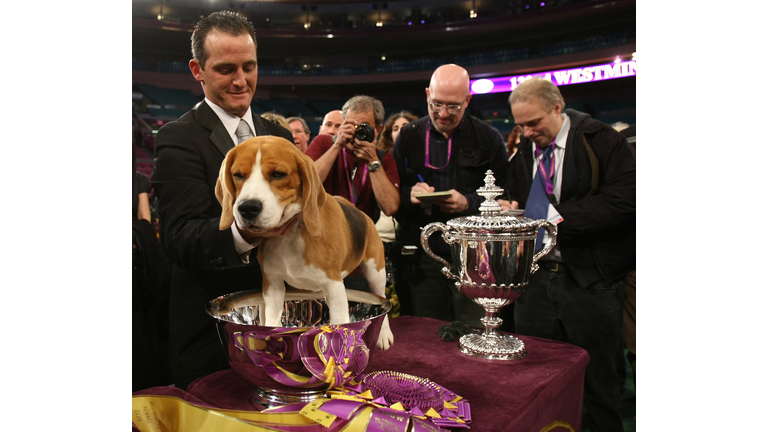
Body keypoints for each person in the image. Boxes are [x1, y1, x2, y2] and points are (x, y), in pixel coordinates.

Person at [150, 10, 295, 390]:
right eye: (226, 68)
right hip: (211, 334)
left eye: (249, 66)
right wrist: (251, 232)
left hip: (281, 322)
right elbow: (179, 239)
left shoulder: (278, 134)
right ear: (197, 70)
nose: (240, 79)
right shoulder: (178, 138)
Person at [500, 78, 635, 432]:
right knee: (540, 378)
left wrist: (553, 218)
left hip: (590, 279)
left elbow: (624, 202)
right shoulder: (524, 151)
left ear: (557, 107)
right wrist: (511, 208)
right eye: (520, 125)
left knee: (599, 385)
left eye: (534, 123)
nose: (527, 132)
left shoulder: (602, 140)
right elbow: (520, 200)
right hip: (536, 281)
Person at [392, 64, 507, 328]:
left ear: (468, 100)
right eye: (436, 104)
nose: (443, 113)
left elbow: (507, 198)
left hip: (475, 257)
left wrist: (469, 203)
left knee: (474, 329)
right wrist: (410, 194)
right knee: (427, 333)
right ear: (426, 95)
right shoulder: (408, 136)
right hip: (424, 254)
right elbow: (391, 197)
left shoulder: (488, 138)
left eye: (453, 106)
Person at [305, 95, 401, 292]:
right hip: (317, 250)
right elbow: (307, 185)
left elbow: (390, 207)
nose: (356, 132)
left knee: (357, 319)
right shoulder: (324, 143)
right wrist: (337, 145)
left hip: (359, 256)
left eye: (363, 126)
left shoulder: (383, 159)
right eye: (350, 125)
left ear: (378, 130)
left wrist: (373, 161)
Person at [375, 111, 418, 316]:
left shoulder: (415, 162)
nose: (401, 132)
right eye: (395, 128)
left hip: (403, 237)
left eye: (406, 126)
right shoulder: (380, 158)